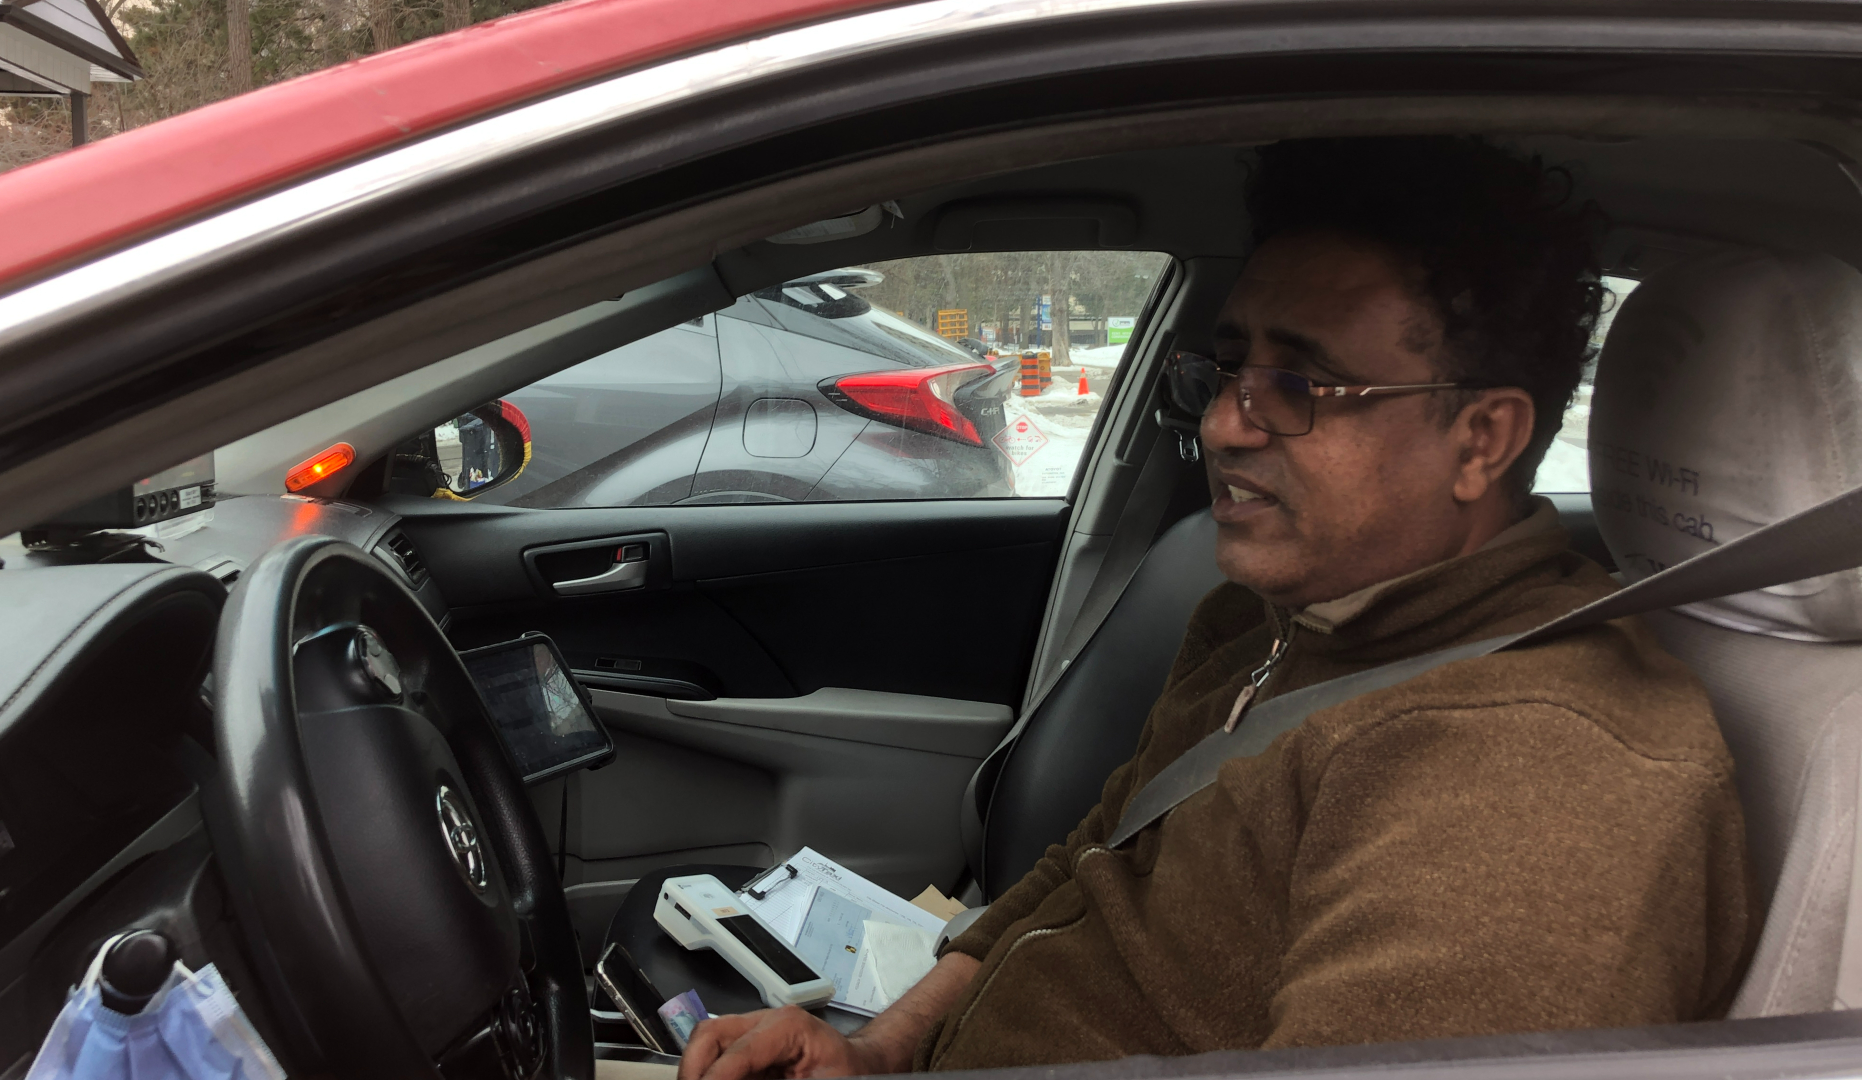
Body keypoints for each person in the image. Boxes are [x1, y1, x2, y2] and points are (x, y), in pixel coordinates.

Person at [678, 137, 1753, 1079]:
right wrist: (879, 1050)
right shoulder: (1267, 619)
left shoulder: (1535, 784)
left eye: (1303, 385)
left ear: (1483, 441)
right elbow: (1088, 861)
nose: (1229, 428)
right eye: (1232, 369)